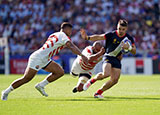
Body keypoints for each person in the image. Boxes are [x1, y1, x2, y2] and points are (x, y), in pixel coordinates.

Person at [1, 22, 88, 100]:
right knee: (26, 78)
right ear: (66, 29)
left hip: (44, 58)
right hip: (38, 58)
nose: (71, 32)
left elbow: (58, 45)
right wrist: (82, 55)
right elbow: (71, 46)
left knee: (60, 72)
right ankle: (6, 92)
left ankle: (41, 85)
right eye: (70, 30)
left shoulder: (55, 34)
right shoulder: (63, 36)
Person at [81, 19, 136, 98]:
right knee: (106, 74)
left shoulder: (129, 38)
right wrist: (87, 38)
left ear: (126, 29)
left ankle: (98, 93)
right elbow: (99, 37)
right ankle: (91, 81)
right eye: (119, 28)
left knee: (115, 80)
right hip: (108, 56)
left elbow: (134, 51)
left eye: (123, 29)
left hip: (117, 59)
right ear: (117, 27)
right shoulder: (111, 34)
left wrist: (129, 48)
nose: (120, 31)